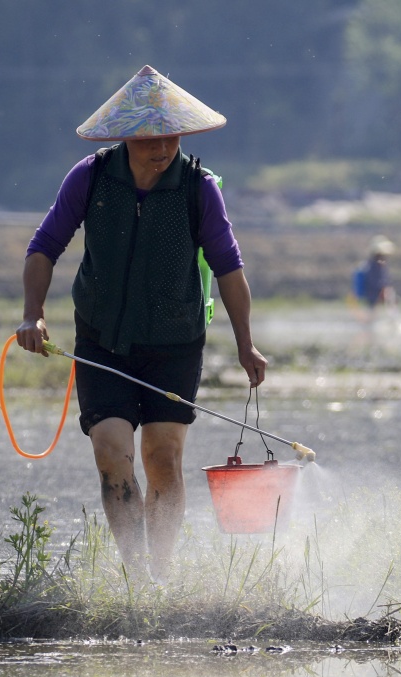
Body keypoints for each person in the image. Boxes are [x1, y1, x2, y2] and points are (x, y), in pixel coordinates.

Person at [15, 65, 267, 583]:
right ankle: (135, 578)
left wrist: (246, 345)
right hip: (102, 341)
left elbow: (230, 271)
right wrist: (32, 314)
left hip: (174, 344)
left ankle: (161, 573)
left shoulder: (199, 190)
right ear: (128, 135)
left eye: (173, 136)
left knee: (163, 459)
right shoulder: (91, 178)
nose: (165, 148)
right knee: (112, 454)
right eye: (153, 138)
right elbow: (44, 248)